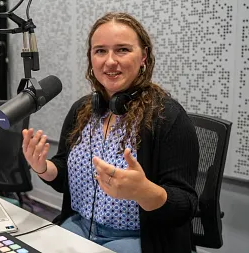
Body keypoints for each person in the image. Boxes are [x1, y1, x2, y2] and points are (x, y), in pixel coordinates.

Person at [21, 12, 199, 253]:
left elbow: (186, 206)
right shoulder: (82, 110)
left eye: (122, 50)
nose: (110, 61)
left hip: (139, 237)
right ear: (91, 59)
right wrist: (43, 167)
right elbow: (66, 178)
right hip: (80, 225)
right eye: (100, 51)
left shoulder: (168, 117)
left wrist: (143, 191)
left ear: (143, 56)